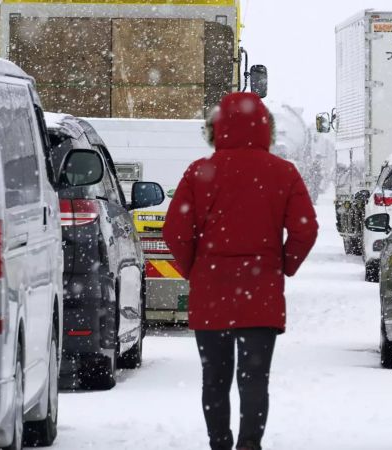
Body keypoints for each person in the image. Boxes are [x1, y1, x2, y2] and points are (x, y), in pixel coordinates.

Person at [163, 92, 319, 450]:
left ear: (215, 129)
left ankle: (219, 442)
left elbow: (175, 230)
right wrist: (285, 264)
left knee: (214, 379)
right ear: (266, 129)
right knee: (254, 379)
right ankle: (250, 444)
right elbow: (305, 228)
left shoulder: (200, 172)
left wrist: (196, 269)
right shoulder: (283, 173)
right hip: (260, 290)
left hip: (211, 291)